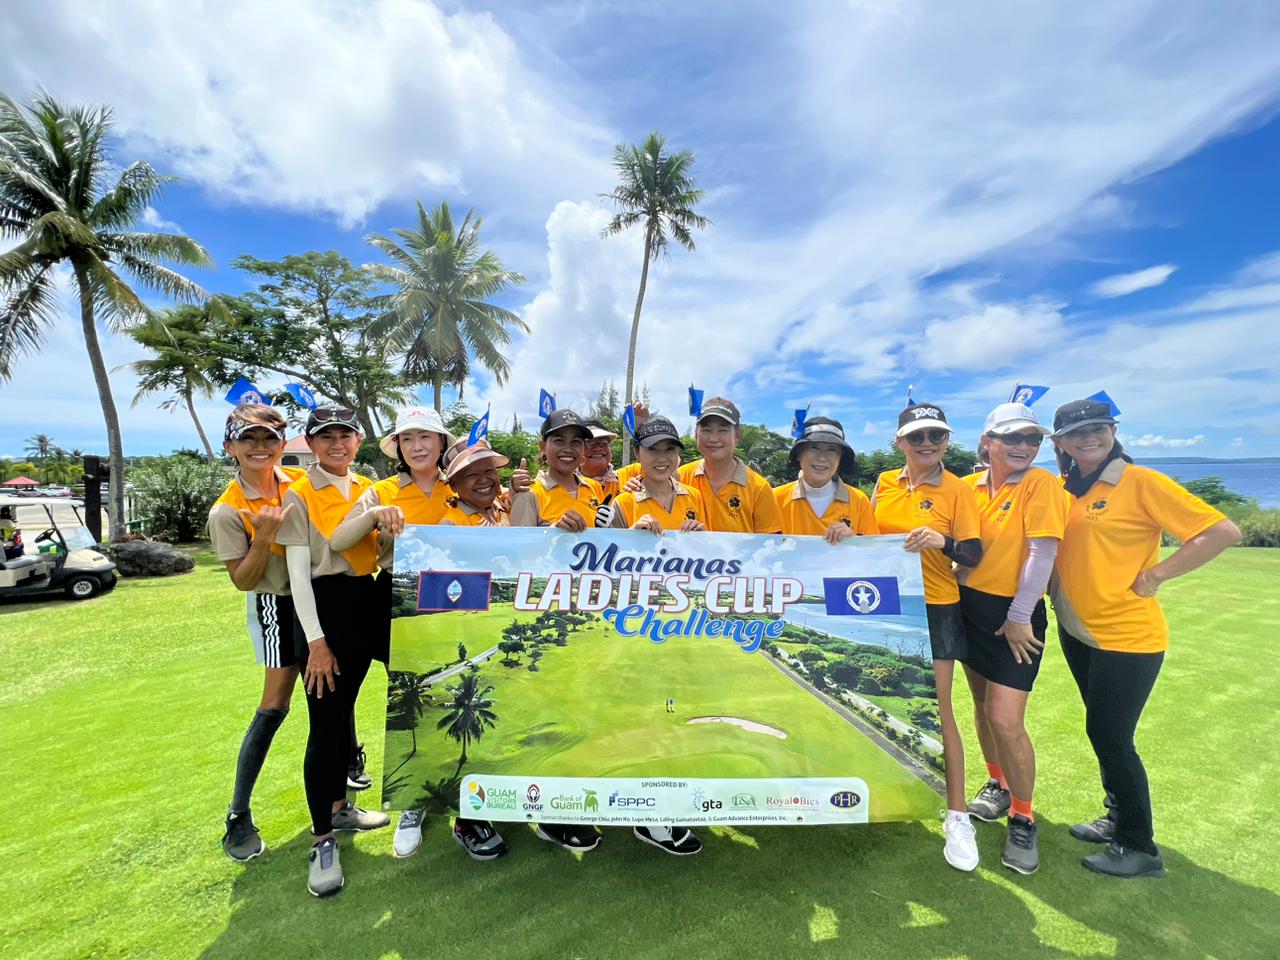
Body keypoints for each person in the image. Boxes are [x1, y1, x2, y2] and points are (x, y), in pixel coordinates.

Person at [1050, 399, 1240, 878]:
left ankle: (1140, 848)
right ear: (1061, 443)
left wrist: (1157, 575)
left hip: (1128, 635)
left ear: (1112, 430)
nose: (1088, 437)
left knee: (1113, 737)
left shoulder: (1141, 482)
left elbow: (1220, 531)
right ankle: (1118, 819)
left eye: (1098, 428)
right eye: (1077, 432)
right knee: (1101, 732)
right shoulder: (1064, 488)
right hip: (1079, 631)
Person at [329, 406, 454, 859]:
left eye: (426, 437)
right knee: (408, 699)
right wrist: (374, 515)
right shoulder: (380, 490)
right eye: (407, 439)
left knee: (446, 692)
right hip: (396, 601)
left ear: (441, 443)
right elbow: (339, 541)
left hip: (453, 601)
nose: (417, 446)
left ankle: (460, 797)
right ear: (398, 448)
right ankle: (412, 804)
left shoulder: (458, 486)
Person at [277, 406, 391, 897]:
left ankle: (341, 809)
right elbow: (299, 576)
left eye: (345, 434)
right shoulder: (299, 493)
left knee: (420, 682)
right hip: (326, 609)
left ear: (359, 438)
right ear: (311, 442)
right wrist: (317, 643)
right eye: (326, 437)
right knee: (326, 723)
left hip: (371, 600)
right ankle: (322, 837)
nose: (336, 444)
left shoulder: (368, 485)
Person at [871, 402, 984, 872]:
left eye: (935, 437)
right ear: (900, 442)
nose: (927, 445)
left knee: (938, 709)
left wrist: (943, 543)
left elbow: (974, 552)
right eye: (916, 437)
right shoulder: (883, 484)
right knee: (885, 693)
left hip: (936, 606)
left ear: (947, 441)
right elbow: (868, 536)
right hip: (884, 602)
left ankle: (957, 816)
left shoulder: (956, 489)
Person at [956, 402, 1068, 876]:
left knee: (1006, 719)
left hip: (1013, 618)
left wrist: (1021, 614)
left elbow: (1042, 553)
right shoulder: (965, 487)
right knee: (982, 707)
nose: (1024, 446)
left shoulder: (1042, 484)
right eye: (1012, 438)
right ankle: (997, 785)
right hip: (967, 611)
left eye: (1032, 439)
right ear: (988, 443)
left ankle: (1023, 815)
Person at [206, 404, 303, 862]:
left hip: (316, 601)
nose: (260, 448)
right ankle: (237, 815)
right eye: (249, 439)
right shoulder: (228, 511)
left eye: (269, 439)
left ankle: (343, 785)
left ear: (283, 445)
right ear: (231, 447)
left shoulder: (297, 487)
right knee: (276, 703)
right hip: (275, 605)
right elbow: (243, 581)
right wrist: (263, 537)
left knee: (332, 689)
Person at [609, 415, 706, 856]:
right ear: (638, 456)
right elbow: (601, 562)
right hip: (639, 625)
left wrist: (703, 539)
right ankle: (650, 816)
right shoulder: (622, 502)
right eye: (653, 450)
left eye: (670, 450)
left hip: (685, 623)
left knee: (679, 705)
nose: (662, 458)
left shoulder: (696, 496)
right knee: (646, 711)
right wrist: (629, 537)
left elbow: (715, 559)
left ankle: (668, 802)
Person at [677, 397, 782, 534]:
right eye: (706, 430)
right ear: (696, 434)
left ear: (737, 435)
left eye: (723, 430)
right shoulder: (679, 477)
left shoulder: (759, 488)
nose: (713, 438)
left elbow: (769, 545)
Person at [774, 417, 878, 540]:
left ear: (840, 459)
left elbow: (873, 550)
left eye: (832, 450)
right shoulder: (774, 499)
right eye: (814, 447)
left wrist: (853, 540)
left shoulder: (859, 500)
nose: (822, 458)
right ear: (798, 454)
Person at [510, 410, 604, 530]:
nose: (568, 449)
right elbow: (520, 545)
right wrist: (554, 531)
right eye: (559, 441)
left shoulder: (594, 487)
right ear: (543, 447)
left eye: (575, 442)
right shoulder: (529, 493)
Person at [581, 418, 621, 499]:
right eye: (590, 443)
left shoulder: (626, 477)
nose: (598, 448)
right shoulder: (565, 485)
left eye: (604, 443)